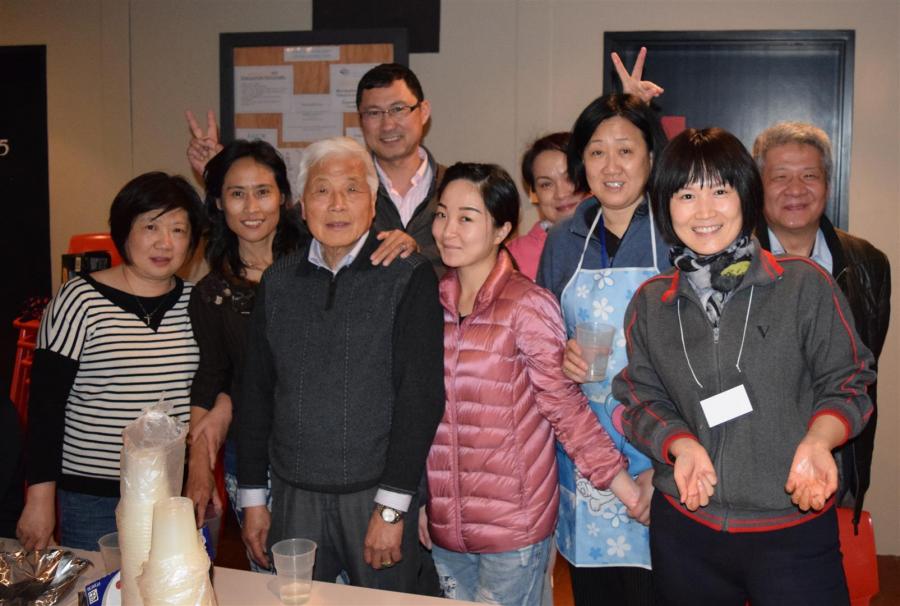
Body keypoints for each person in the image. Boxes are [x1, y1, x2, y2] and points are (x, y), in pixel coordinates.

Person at [613, 127, 874, 605]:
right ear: (666, 207)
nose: (704, 211)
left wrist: (820, 440)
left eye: (720, 191)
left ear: (745, 196)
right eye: (686, 194)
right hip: (686, 532)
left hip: (792, 528)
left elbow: (850, 381)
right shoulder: (651, 303)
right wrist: (679, 444)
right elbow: (639, 399)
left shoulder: (803, 285)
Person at [423, 162, 639, 606]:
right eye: (442, 214)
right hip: (446, 527)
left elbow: (565, 408)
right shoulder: (429, 304)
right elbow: (419, 417)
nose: (448, 230)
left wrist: (626, 489)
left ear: (502, 229)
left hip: (514, 528)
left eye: (467, 217)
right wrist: (424, 502)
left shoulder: (527, 305)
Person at [237, 137, 444, 593]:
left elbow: (421, 397)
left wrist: (392, 507)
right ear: (301, 205)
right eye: (321, 190)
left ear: (373, 203)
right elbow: (255, 394)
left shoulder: (407, 275)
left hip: (375, 494)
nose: (336, 204)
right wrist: (252, 497)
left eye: (352, 189)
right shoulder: (278, 280)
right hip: (293, 496)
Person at [17, 172, 205, 551]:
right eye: (150, 226)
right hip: (94, 496)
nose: (165, 242)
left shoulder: (197, 303)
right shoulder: (79, 299)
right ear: (124, 231)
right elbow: (45, 407)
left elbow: (208, 395)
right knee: (99, 583)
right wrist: (39, 500)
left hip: (169, 493)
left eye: (178, 230)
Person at [535, 92, 668, 605]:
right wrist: (561, 358)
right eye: (596, 151)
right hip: (588, 454)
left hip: (665, 451)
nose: (611, 167)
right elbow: (541, 347)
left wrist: (665, 469)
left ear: (651, 156)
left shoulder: (678, 231)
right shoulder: (564, 239)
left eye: (626, 150)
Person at [752, 122, 890, 528]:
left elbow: (865, 365)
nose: (795, 189)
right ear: (758, 188)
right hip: (752, 453)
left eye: (809, 176)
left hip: (839, 453)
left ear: (828, 184)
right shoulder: (731, 259)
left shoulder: (868, 262)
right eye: (780, 177)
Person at [184, 140, 307, 562]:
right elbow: (212, 376)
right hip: (250, 454)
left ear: (283, 197)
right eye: (237, 193)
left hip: (317, 450)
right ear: (219, 203)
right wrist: (200, 462)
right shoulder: (212, 292)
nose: (251, 207)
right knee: (270, 573)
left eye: (263, 192)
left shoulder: (316, 266)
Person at [356, 63, 446, 272]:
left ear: (423, 112)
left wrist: (418, 254)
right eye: (373, 113)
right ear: (361, 121)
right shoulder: (345, 193)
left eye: (398, 109)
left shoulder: (456, 187)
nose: (388, 125)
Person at [506, 132, 584, 280]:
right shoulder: (511, 258)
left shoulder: (616, 242)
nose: (561, 194)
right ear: (534, 193)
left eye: (570, 178)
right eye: (546, 184)